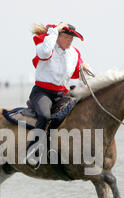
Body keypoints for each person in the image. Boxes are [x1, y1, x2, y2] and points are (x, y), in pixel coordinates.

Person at [26, 22, 91, 166]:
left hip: (62, 94)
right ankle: (33, 150)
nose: (69, 41)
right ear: (58, 36)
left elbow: (79, 72)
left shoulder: (74, 53)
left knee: (76, 114)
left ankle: (58, 148)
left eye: (71, 39)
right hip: (42, 92)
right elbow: (44, 52)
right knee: (44, 116)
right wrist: (54, 30)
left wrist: (84, 69)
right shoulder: (45, 47)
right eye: (66, 37)